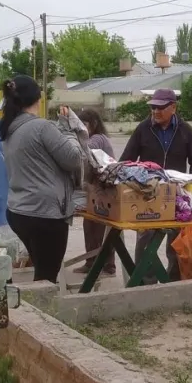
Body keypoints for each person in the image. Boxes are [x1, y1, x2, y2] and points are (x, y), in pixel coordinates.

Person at [0, 74, 83, 283]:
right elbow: (74, 159)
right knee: (46, 279)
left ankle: (36, 302)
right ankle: (40, 305)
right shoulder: (42, 127)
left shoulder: (9, 128)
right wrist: (69, 131)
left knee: (42, 268)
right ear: (38, 97)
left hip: (18, 211)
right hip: (45, 215)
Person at [119, 89, 192, 283]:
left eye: (160, 107)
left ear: (173, 107)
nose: (155, 111)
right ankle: (145, 283)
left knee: (176, 241)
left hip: (176, 195)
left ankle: (173, 281)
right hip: (148, 194)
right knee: (146, 240)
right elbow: (126, 161)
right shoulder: (143, 129)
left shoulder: (185, 130)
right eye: (153, 107)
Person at [73, 108, 117, 276]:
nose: (81, 128)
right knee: (95, 227)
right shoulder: (100, 138)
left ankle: (100, 265)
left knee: (96, 227)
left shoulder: (97, 139)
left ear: (94, 124)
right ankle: (100, 264)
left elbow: (83, 152)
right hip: (101, 188)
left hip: (103, 189)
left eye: (83, 124)